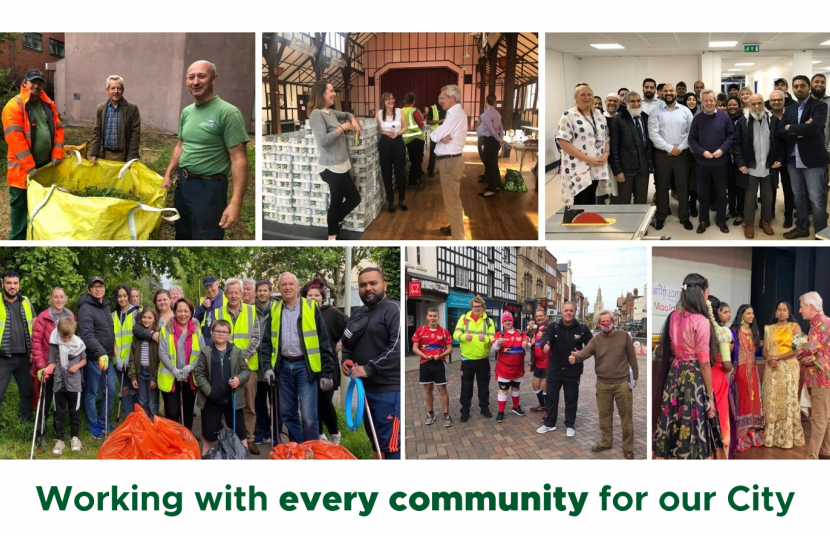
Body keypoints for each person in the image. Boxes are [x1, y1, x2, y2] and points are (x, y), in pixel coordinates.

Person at [161, 60, 250, 240]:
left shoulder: (228, 113)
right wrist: (168, 174)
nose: (196, 82)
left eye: (202, 76)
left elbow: (239, 159)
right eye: (191, 77)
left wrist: (235, 203)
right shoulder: (187, 112)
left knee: (205, 237)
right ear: (187, 80)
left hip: (209, 188)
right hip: (183, 185)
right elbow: (180, 145)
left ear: (213, 79)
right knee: (182, 233)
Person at [653, 273, 721, 459]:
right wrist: (710, 396)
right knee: (692, 416)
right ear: (701, 293)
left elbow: (672, 349)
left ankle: (672, 454)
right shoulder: (701, 321)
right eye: (707, 292)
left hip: (675, 373)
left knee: (674, 410)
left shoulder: (674, 316)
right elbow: (705, 363)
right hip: (693, 375)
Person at [261, 272, 334, 444]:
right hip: (283, 367)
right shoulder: (274, 309)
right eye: (283, 285)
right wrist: (267, 368)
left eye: (290, 284)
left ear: (297, 286)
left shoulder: (310, 307)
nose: (287, 287)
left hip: (305, 367)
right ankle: (298, 448)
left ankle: (311, 450)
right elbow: (266, 342)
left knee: (309, 416)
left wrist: (327, 373)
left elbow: (324, 341)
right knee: (287, 413)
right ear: (278, 288)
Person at [340, 268, 401, 459]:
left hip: (388, 390)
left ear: (384, 285)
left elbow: (396, 348)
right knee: (374, 440)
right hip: (365, 390)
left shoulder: (393, 309)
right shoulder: (357, 314)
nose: (368, 288)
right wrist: (346, 360)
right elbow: (347, 342)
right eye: (363, 285)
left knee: (392, 446)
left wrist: (368, 368)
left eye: (373, 283)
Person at [1, 69, 64, 240]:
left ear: (43, 85)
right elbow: (16, 140)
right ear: (25, 83)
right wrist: (29, 166)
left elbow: (58, 130)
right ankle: (18, 243)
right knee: (20, 206)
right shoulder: (14, 106)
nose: (36, 85)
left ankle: (36, 239)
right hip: (22, 170)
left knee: (41, 206)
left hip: (44, 167)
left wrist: (57, 153)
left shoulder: (48, 105)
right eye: (32, 82)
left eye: (39, 82)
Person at [569, 310, 638, 459]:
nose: (606, 324)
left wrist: (635, 377)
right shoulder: (596, 339)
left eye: (608, 321)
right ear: (599, 323)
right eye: (603, 322)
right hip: (603, 383)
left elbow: (632, 357)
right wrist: (576, 357)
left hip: (622, 382)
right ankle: (606, 441)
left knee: (626, 417)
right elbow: (586, 352)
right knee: (604, 416)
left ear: (613, 321)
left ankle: (628, 447)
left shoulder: (624, 336)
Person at [306, 79, 362, 240]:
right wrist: (341, 128)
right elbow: (323, 141)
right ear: (322, 94)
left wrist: (353, 120)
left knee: (345, 200)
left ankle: (335, 224)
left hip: (341, 165)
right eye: (330, 91)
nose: (334, 94)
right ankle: (332, 234)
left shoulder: (330, 112)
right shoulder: (317, 114)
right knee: (346, 200)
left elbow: (347, 114)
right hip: (331, 167)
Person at [777, 75, 829, 239]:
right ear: (792, 89)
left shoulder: (819, 106)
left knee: (817, 200)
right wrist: (800, 130)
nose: (799, 89)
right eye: (796, 86)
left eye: (802, 86)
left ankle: (821, 235)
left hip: (813, 160)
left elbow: (814, 128)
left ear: (808, 87)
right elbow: (779, 131)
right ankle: (802, 228)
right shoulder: (790, 109)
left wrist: (790, 128)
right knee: (798, 197)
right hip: (793, 160)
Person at [211, 278, 260, 453]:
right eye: (230, 292)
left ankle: (249, 439)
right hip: (223, 367)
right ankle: (230, 440)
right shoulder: (217, 313)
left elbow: (256, 338)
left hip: (247, 367)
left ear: (242, 293)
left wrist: (241, 358)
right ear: (225, 295)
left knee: (248, 405)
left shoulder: (251, 311)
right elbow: (212, 338)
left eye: (236, 292)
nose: (233, 295)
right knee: (226, 405)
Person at [301, 276, 349, 443]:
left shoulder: (332, 313)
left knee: (324, 401)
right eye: (310, 295)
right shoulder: (302, 314)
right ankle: (319, 436)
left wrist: (340, 345)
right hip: (307, 366)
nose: (313, 298)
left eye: (317, 295)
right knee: (312, 404)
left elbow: (351, 328)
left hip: (327, 366)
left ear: (323, 297)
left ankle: (335, 434)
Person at [194, 319, 250, 457]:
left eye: (224, 332)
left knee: (240, 431)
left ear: (229, 335)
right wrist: (209, 391)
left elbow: (245, 371)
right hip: (211, 400)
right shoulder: (206, 352)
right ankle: (205, 457)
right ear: (212, 333)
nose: (220, 334)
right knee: (209, 432)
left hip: (233, 399)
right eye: (217, 331)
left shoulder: (236, 352)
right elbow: (199, 373)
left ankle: (244, 456)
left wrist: (239, 379)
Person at [537, 301, 592, 438]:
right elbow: (546, 338)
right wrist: (544, 345)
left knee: (571, 399)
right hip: (555, 369)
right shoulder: (553, 326)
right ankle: (550, 423)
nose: (568, 313)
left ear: (575, 312)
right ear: (561, 311)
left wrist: (579, 356)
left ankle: (569, 425)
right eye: (566, 310)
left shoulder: (582, 328)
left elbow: (592, 347)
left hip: (573, 371)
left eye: (571, 311)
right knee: (551, 398)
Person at [734, 93, 783, 238]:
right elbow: (736, 144)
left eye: (759, 103)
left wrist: (780, 158)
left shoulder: (773, 120)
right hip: (750, 167)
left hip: (768, 167)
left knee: (768, 197)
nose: (756, 106)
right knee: (749, 199)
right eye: (753, 104)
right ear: (749, 105)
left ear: (763, 103)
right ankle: (749, 224)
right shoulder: (743, 121)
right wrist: (740, 163)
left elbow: (780, 142)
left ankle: (765, 221)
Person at [30, 286, 73, 448]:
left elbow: (73, 341)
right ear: (51, 299)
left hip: (63, 367)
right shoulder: (43, 317)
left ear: (66, 298)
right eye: (56, 297)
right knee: (44, 402)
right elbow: (36, 344)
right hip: (47, 368)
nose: (59, 300)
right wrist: (41, 366)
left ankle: (58, 431)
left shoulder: (70, 315)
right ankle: (41, 434)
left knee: (60, 400)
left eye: (62, 297)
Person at [649, 83, 694, 231]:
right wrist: (669, 148)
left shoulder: (685, 110)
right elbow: (653, 134)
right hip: (662, 154)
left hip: (682, 153)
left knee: (683, 186)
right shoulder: (655, 112)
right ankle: (661, 216)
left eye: (671, 90)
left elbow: (691, 132)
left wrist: (679, 148)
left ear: (675, 93)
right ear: (661, 93)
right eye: (666, 91)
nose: (669, 93)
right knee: (662, 186)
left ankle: (684, 216)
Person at [689, 89, 735, 234]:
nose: (709, 103)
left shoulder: (724, 117)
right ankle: (704, 220)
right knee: (703, 194)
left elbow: (730, 136)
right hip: (702, 163)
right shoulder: (697, 119)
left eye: (711, 100)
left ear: (715, 101)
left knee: (721, 194)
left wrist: (722, 150)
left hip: (721, 163)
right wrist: (702, 151)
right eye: (706, 100)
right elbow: (691, 139)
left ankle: (721, 220)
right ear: (701, 102)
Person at [556, 83, 610, 206]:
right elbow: (563, 141)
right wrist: (587, 159)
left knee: (592, 195)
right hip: (578, 164)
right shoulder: (568, 116)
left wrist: (606, 153)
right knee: (581, 198)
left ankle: (589, 222)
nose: (587, 97)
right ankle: (578, 223)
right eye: (582, 95)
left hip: (597, 163)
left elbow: (606, 137)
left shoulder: (599, 115)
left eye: (589, 94)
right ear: (576, 97)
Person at [761, 301, 805, 450]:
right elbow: (765, 351)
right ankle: (771, 438)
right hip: (771, 370)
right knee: (771, 401)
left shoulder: (795, 327)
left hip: (788, 369)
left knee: (787, 401)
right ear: (775, 312)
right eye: (779, 310)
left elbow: (797, 350)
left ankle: (787, 438)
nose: (781, 312)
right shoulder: (768, 329)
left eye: (784, 310)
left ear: (788, 312)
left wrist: (777, 358)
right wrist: (769, 359)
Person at [429, 85, 469, 240]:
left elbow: (435, 135)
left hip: (449, 162)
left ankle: (458, 238)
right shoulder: (455, 114)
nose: (440, 101)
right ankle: (454, 226)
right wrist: (440, 136)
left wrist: (437, 135)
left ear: (453, 98)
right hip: (451, 161)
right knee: (453, 198)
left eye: (443, 97)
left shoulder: (455, 115)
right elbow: (440, 135)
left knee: (452, 202)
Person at [78, 276, 116, 439]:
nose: (98, 289)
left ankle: (104, 421)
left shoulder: (105, 306)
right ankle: (93, 424)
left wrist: (109, 353)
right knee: (93, 392)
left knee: (111, 391)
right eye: (94, 287)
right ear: (89, 290)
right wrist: (101, 353)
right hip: (95, 358)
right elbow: (87, 335)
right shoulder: (85, 308)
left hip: (108, 358)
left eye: (101, 286)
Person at [158, 298, 204, 432]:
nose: (183, 314)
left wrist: (190, 367)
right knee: (173, 411)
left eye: (186, 311)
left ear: (191, 313)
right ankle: (173, 440)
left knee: (188, 411)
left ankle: (186, 438)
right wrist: (175, 371)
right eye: (179, 311)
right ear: (174, 312)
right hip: (171, 377)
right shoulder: (166, 330)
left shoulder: (196, 330)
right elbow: (162, 353)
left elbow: (201, 352)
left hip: (190, 377)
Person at [44, 318, 86, 455]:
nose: (67, 340)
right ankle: (60, 439)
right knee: (59, 413)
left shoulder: (79, 343)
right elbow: (52, 362)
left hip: (74, 384)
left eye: (69, 337)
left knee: (74, 412)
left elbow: (84, 360)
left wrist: (77, 366)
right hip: (59, 383)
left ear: (74, 332)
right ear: (58, 333)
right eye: (63, 337)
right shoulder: (55, 343)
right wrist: (46, 370)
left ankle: (75, 438)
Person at [796, 292, 830, 459]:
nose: (800, 310)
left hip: (821, 378)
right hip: (817, 377)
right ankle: (825, 452)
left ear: (811, 306)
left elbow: (810, 348)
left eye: (801, 306)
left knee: (819, 419)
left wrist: (798, 354)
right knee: (825, 417)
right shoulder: (815, 324)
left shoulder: (823, 323)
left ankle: (812, 458)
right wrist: (806, 356)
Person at [452, 295, 495, 422]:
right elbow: (455, 334)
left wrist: (486, 339)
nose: (477, 308)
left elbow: (493, 339)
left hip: (483, 359)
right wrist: (464, 337)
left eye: (479, 306)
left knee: (484, 386)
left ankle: (484, 408)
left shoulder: (489, 321)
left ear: (483, 307)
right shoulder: (464, 319)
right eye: (475, 306)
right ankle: (465, 410)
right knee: (466, 387)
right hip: (467, 359)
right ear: (472, 307)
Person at [0, 270, 35, 422]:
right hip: (3, 357)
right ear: (3, 284)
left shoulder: (26, 301)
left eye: (15, 283)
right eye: (9, 283)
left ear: (19, 284)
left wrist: (34, 350)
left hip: (24, 357)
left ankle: (24, 424)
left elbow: (35, 326)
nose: (12, 286)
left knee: (27, 392)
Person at [730, 304, 764, 452]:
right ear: (741, 314)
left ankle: (753, 432)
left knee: (754, 400)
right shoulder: (734, 331)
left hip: (753, 369)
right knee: (742, 400)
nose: (751, 316)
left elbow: (757, 350)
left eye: (752, 313)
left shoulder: (754, 331)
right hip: (740, 370)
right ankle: (742, 434)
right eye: (748, 313)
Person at [412, 307, 453, 428]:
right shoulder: (420, 330)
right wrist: (424, 355)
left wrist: (441, 355)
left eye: (434, 316)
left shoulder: (444, 332)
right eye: (430, 316)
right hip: (425, 364)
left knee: (442, 390)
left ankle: (446, 415)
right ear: (427, 316)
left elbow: (450, 349)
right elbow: (415, 348)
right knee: (428, 390)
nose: (432, 318)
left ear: (438, 317)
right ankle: (430, 414)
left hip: (439, 364)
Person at [609, 91, 652, 205]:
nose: (636, 104)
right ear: (626, 102)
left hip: (643, 168)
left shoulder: (645, 118)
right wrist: (618, 171)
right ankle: (625, 222)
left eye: (638, 101)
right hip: (625, 168)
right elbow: (614, 148)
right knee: (623, 201)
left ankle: (641, 222)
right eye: (632, 101)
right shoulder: (618, 120)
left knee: (641, 200)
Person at [88, 75, 141, 163]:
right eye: (113, 88)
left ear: (123, 90)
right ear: (107, 90)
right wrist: (94, 154)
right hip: (104, 156)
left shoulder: (132, 109)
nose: (116, 91)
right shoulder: (100, 108)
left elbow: (135, 136)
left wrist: (131, 158)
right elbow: (96, 133)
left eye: (118, 88)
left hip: (124, 156)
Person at [707, 295, 734, 459]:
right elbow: (726, 364)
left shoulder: (698, 326)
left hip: (700, 375)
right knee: (720, 415)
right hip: (717, 375)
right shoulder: (722, 332)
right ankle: (720, 453)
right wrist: (731, 369)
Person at [491, 312, 530, 423]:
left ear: (513, 321)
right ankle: (501, 412)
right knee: (503, 390)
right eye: (505, 321)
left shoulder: (521, 333)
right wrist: (498, 343)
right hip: (504, 369)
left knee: (516, 388)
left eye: (509, 320)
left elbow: (529, 345)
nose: (507, 322)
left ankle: (516, 407)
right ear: (502, 322)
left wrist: (527, 345)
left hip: (518, 368)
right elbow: (494, 349)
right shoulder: (499, 334)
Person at [376, 92, 408, 213]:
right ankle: (391, 201)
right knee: (386, 173)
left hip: (398, 143)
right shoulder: (379, 113)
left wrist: (398, 133)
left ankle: (402, 199)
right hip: (384, 144)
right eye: (388, 99)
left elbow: (406, 126)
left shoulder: (400, 111)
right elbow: (378, 129)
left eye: (392, 98)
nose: (391, 101)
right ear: (383, 102)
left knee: (400, 173)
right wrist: (385, 132)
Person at [112, 285, 139, 420]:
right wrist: (117, 357)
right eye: (119, 296)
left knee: (135, 388)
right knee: (124, 388)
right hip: (118, 360)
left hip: (133, 360)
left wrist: (129, 357)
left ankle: (138, 416)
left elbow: (137, 338)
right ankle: (128, 415)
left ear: (128, 296)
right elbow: (113, 338)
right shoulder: (113, 315)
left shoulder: (137, 313)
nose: (122, 299)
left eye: (124, 295)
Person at [768, 91, 795, 229]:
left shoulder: (791, 115)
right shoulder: (766, 117)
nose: (776, 102)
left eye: (779, 100)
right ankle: (770, 214)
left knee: (788, 189)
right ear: (769, 102)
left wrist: (788, 131)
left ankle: (788, 216)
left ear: (784, 100)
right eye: (773, 100)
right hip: (771, 158)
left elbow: (793, 134)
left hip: (788, 158)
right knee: (771, 188)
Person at [128, 307, 160, 419]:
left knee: (152, 403)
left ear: (154, 319)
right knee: (142, 401)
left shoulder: (158, 336)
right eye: (144, 317)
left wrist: (155, 378)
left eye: (149, 318)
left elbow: (160, 360)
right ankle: (145, 426)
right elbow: (132, 357)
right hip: (140, 372)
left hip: (152, 373)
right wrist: (133, 377)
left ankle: (154, 427)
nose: (146, 320)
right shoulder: (137, 336)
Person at [253, 279, 274, 444]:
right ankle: (262, 430)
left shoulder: (277, 309)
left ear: (270, 292)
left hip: (273, 363)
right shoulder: (250, 311)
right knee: (258, 402)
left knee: (275, 401)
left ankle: (276, 432)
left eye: (265, 290)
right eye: (259, 291)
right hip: (255, 364)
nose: (262, 293)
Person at [479, 94, 507, 199]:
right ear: (495, 102)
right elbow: (501, 129)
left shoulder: (486, 114)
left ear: (486, 101)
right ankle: (496, 186)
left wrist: (499, 139)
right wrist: (501, 139)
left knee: (489, 165)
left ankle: (491, 190)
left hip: (490, 140)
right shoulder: (497, 113)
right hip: (495, 141)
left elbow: (491, 130)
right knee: (494, 164)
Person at [725, 96, 745, 224]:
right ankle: (731, 210)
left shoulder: (744, 119)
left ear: (739, 106)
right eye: (730, 105)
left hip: (741, 158)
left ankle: (740, 212)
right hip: (727, 158)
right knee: (730, 186)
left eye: (734, 104)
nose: (732, 107)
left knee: (740, 187)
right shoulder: (724, 119)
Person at [401, 92, 426, 191]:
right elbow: (421, 125)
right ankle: (412, 182)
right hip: (417, 139)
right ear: (414, 101)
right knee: (417, 161)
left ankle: (419, 175)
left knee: (413, 160)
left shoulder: (400, 111)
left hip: (406, 139)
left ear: (404, 101)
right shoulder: (414, 111)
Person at [527, 308, 550, 414]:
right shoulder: (536, 330)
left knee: (545, 386)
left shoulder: (550, 327)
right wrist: (532, 343)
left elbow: (554, 340)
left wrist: (545, 336)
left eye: (541, 316)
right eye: (537, 316)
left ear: (545, 316)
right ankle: (542, 405)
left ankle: (548, 409)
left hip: (547, 362)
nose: (539, 318)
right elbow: (536, 345)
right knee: (535, 385)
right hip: (538, 363)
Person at [195, 275, 227, 343]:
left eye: (211, 286)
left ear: (217, 284)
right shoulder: (201, 301)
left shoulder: (227, 299)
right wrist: (203, 307)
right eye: (206, 288)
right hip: (205, 342)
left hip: (222, 342)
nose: (209, 290)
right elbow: (194, 320)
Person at [425, 102, 446, 178]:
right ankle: (431, 169)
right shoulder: (433, 108)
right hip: (435, 135)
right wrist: (440, 121)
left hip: (445, 135)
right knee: (433, 152)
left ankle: (441, 169)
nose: (442, 100)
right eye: (441, 98)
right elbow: (428, 121)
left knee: (443, 153)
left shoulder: (448, 108)